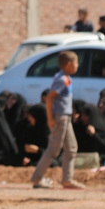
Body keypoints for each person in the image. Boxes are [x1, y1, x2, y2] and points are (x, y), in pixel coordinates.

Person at [31, 51, 83, 189]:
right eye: (76, 63)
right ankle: (37, 178)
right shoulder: (62, 79)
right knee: (53, 150)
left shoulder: (65, 78)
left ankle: (67, 180)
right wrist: (50, 119)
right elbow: (49, 98)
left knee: (71, 148)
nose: (77, 66)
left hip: (65, 117)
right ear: (69, 64)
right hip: (60, 118)